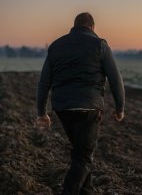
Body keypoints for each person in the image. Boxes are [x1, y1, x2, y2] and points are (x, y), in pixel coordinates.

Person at [35, 12, 125, 195]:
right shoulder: (100, 45)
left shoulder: (55, 46)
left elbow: (44, 82)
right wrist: (120, 108)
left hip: (63, 108)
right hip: (89, 108)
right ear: (92, 27)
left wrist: (41, 112)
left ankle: (87, 191)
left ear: (74, 26)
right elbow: (116, 79)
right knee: (83, 157)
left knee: (80, 152)